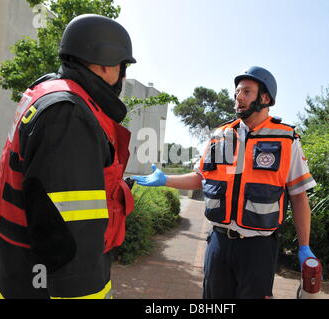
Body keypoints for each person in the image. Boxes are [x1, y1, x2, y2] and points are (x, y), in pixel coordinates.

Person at [0, 14, 136, 299]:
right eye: (122, 67)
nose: (122, 76)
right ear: (105, 63)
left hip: (13, 266)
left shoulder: (46, 92)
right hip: (45, 285)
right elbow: (71, 233)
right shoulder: (71, 114)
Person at [132, 66, 317, 299]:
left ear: (265, 98)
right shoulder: (220, 135)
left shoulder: (286, 139)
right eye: (237, 91)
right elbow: (201, 178)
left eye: (247, 92)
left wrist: (304, 246)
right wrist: (165, 180)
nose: (238, 97)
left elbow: (299, 196)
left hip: (258, 248)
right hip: (218, 242)